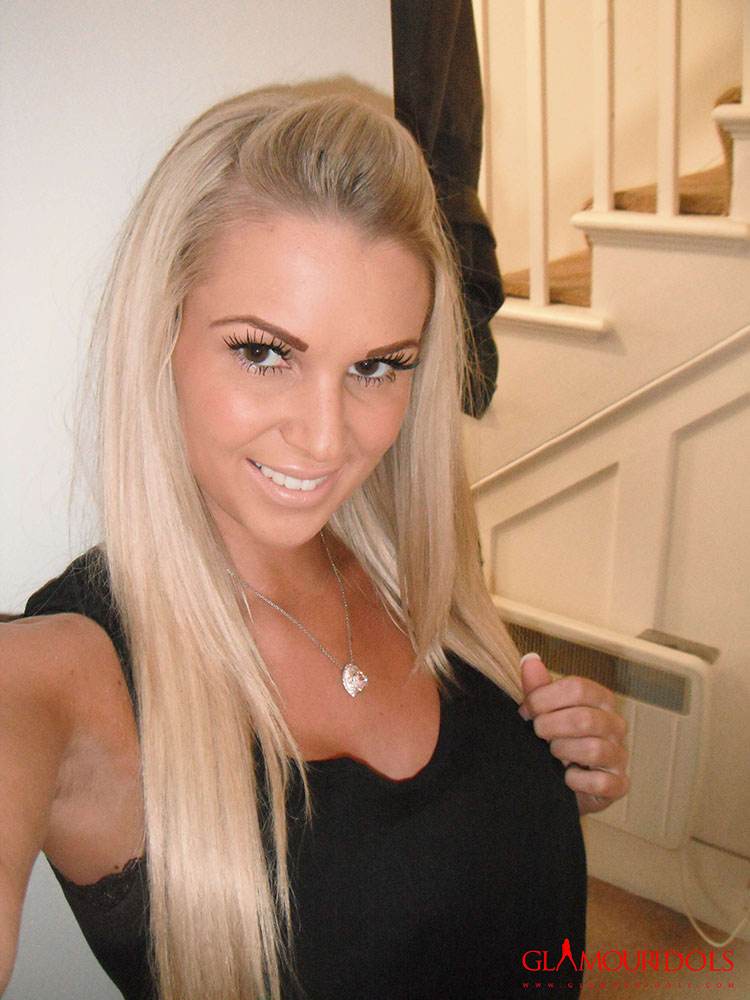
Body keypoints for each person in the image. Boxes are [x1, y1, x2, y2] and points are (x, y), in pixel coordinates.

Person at [0, 90, 628, 1000]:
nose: (328, 440)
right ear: (160, 335)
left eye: (377, 366)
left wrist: (552, 778)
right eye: (264, 352)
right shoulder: (63, 674)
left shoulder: (413, 565)